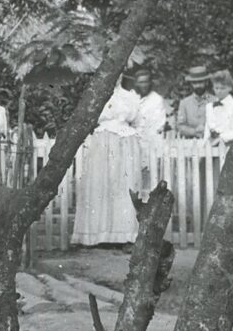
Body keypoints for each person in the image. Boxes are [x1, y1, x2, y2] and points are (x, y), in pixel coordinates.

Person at [72, 70, 146, 246]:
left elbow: (138, 122)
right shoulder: (96, 96)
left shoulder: (130, 97)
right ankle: (98, 235)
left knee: (123, 186)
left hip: (125, 143)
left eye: (119, 73)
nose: (116, 77)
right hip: (101, 142)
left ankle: (123, 235)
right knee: (100, 185)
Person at [204, 70, 233, 146]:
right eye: (216, 88)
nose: (219, 91)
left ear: (230, 88)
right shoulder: (209, 106)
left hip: (229, 146)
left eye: (222, 88)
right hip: (211, 148)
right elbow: (207, 131)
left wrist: (220, 139)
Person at [132, 68, 168, 148]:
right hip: (132, 141)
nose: (144, 85)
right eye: (141, 82)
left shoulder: (157, 99)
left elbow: (159, 126)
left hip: (150, 142)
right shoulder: (131, 97)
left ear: (150, 83)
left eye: (146, 82)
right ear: (136, 83)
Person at [176, 65, 213, 137]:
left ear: (206, 82)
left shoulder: (215, 101)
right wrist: (194, 132)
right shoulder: (184, 103)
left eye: (200, 82)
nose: (198, 85)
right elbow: (180, 126)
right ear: (191, 84)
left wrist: (205, 131)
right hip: (189, 142)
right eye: (195, 83)